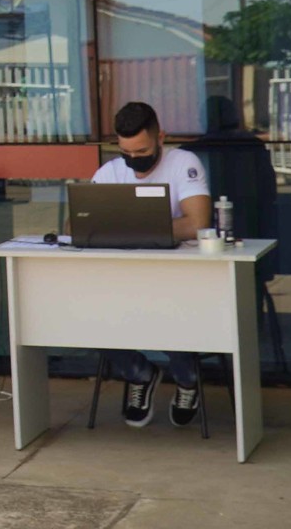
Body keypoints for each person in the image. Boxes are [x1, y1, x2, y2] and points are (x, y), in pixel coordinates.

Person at [94, 100, 213, 429]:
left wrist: (130, 226)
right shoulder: (111, 172)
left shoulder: (182, 163)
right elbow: (79, 223)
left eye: (142, 150)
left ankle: (187, 380)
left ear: (161, 136)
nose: (134, 160)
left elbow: (199, 222)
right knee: (86, 307)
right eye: (126, 152)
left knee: (171, 310)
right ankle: (139, 373)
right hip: (123, 275)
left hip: (177, 277)